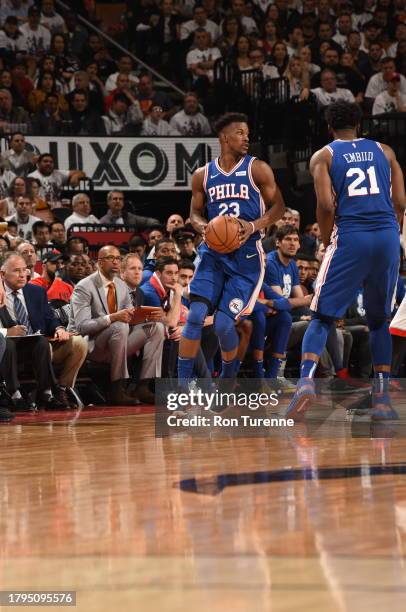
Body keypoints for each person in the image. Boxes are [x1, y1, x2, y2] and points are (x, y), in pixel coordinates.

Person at [287, 101, 406, 422]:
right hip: (386, 236)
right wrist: (388, 234)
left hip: (351, 235)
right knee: (379, 321)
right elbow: (400, 202)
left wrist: (328, 242)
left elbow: (325, 204)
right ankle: (381, 399)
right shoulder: (386, 151)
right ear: (360, 124)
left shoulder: (323, 156)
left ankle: (306, 382)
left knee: (321, 316)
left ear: (329, 127)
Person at [177, 112, 285, 386]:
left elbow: (279, 207)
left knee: (225, 324)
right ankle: (180, 387)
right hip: (213, 254)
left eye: (247, 133)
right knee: (195, 318)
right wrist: (207, 228)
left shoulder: (257, 169)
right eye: (240, 133)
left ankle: (226, 382)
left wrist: (252, 226)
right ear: (224, 137)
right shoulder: (203, 174)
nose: (246, 138)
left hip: (246, 256)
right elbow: (195, 214)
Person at [69, 245, 164, 405]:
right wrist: (113, 317)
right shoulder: (84, 286)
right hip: (90, 344)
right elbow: (82, 327)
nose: (115, 262)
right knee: (119, 326)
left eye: (118, 258)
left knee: (156, 328)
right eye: (110, 258)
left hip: (118, 341)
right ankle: (117, 389)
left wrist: (144, 317)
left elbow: (128, 318)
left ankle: (143, 386)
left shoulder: (121, 285)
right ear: (99, 262)